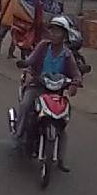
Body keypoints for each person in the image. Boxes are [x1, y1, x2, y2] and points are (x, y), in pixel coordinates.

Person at [13, 16, 84, 171]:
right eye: (52, 30)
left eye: (58, 31)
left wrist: (74, 84)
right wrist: (26, 67)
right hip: (37, 86)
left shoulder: (67, 54)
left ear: (64, 35)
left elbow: (76, 74)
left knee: (62, 124)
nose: (54, 34)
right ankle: (19, 134)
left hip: (56, 92)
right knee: (25, 104)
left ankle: (61, 159)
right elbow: (31, 61)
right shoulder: (43, 46)